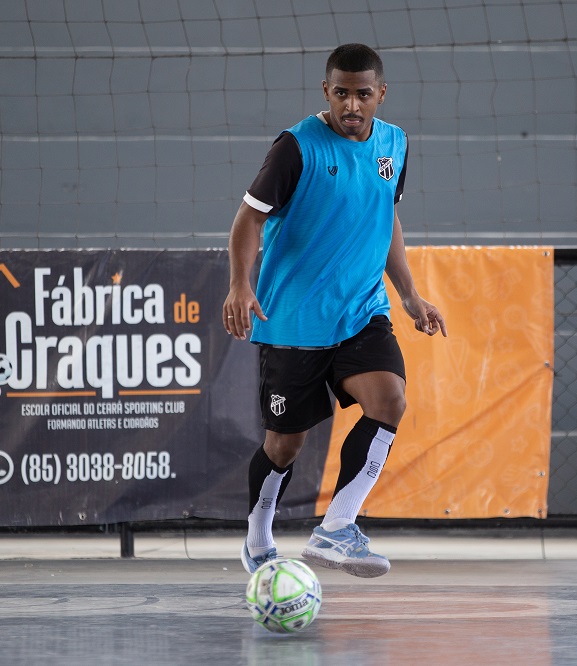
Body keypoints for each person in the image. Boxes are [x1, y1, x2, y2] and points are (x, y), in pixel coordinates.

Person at [223, 43, 447, 579]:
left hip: (361, 313)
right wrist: (238, 285)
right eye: (342, 93)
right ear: (326, 92)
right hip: (296, 321)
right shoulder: (296, 148)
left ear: (381, 94)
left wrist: (410, 295)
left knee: (389, 399)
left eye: (363, 94)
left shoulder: (395, 144)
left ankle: (337, 528)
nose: (352, 105)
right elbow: (247, 222)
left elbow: (385, 217)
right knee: (285, 444)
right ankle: (258, 537)